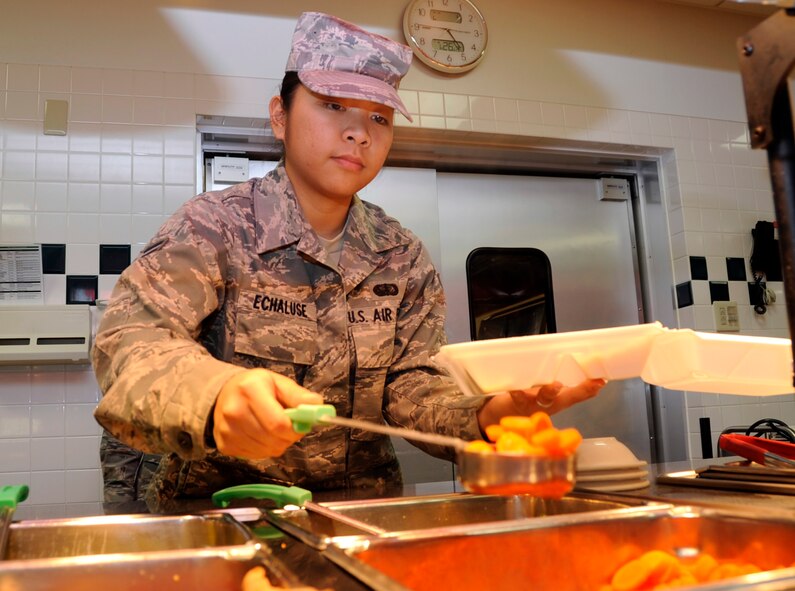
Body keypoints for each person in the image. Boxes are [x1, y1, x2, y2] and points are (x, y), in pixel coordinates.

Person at [92, 11, 604, 510]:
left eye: (378, 118)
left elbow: (411, 388)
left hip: (361, 516)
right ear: (279, 116)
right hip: (226, 516)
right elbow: (131, 346)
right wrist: (217, 392)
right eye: (333, 106)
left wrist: (491, 414)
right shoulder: (213, 226)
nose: (359, 132)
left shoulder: (400, 254)